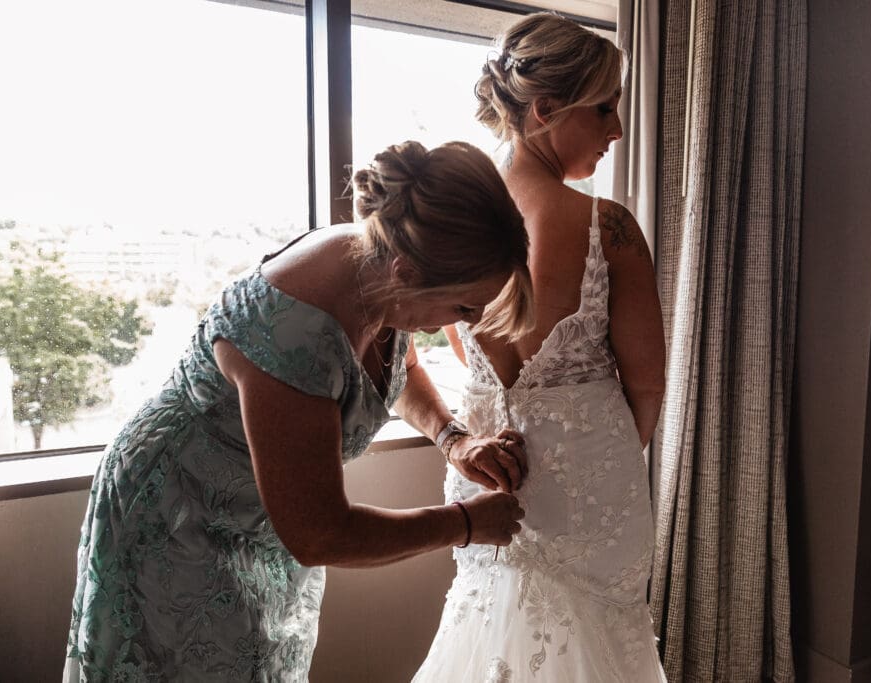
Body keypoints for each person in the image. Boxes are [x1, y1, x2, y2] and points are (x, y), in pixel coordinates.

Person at [64, 140, 537, 682]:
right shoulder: (297, 333)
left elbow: (394, 368)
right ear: (407, 272)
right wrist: (466, 523)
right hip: (177, 516)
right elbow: (319, 534)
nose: (468, 321)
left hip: (261, 516)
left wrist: (454, 438)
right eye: (462, 306)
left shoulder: (380, 267)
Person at [412, 13, 667, 682]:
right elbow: (647, 384)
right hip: (595, 486)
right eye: (605, 108)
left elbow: (466, 352)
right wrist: (599, 452)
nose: (617, 129)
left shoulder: (455, 222)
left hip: (486, 473)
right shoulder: (607, 228)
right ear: (546, 108)